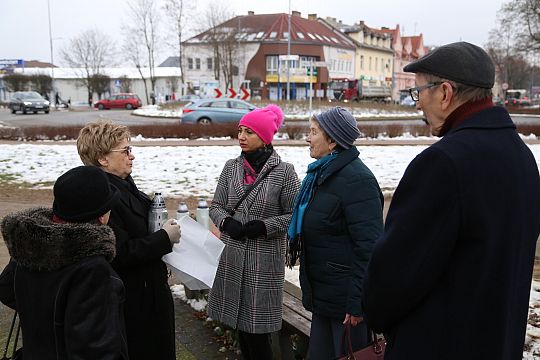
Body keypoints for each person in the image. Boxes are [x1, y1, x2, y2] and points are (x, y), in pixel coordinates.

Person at [363, 42, 540, 359]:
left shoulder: (443, 164)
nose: (417, 105)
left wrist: (379, 315)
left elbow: (392, 280)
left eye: (419, 93)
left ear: (445, 93)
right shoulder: (522, 157)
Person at [77, 121, 181, 360]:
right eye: (125, 151)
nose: (132, 156)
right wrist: (164, 238)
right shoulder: (101, 197)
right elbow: (119, 251)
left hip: (149, 294)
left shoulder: (123, 184)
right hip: (134, 303)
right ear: (103, 159)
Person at [0, 165, 128, 359]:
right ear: (102, 216)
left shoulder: (30, 246)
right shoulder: (93, 271)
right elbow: (98, 351)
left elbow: (6, 289)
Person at [287, 107, 384, 360]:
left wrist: (357, 304)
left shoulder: (357, 180)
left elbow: (370, 247)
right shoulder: (322, 174)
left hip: (346, 306)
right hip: (324, 297)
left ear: (332, 140)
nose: (307, 138)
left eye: (313, 132)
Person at [208, 104, 300, 360]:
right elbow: (216, 206)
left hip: (264, 262)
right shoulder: (231, 167)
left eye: (249, 131)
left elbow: (295, 215)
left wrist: (265, 226)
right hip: (233, 258)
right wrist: (226, 223)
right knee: (241, 331)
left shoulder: (285, 172)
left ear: (265, 137)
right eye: (240, 130)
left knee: (258, 334)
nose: (241, 136)